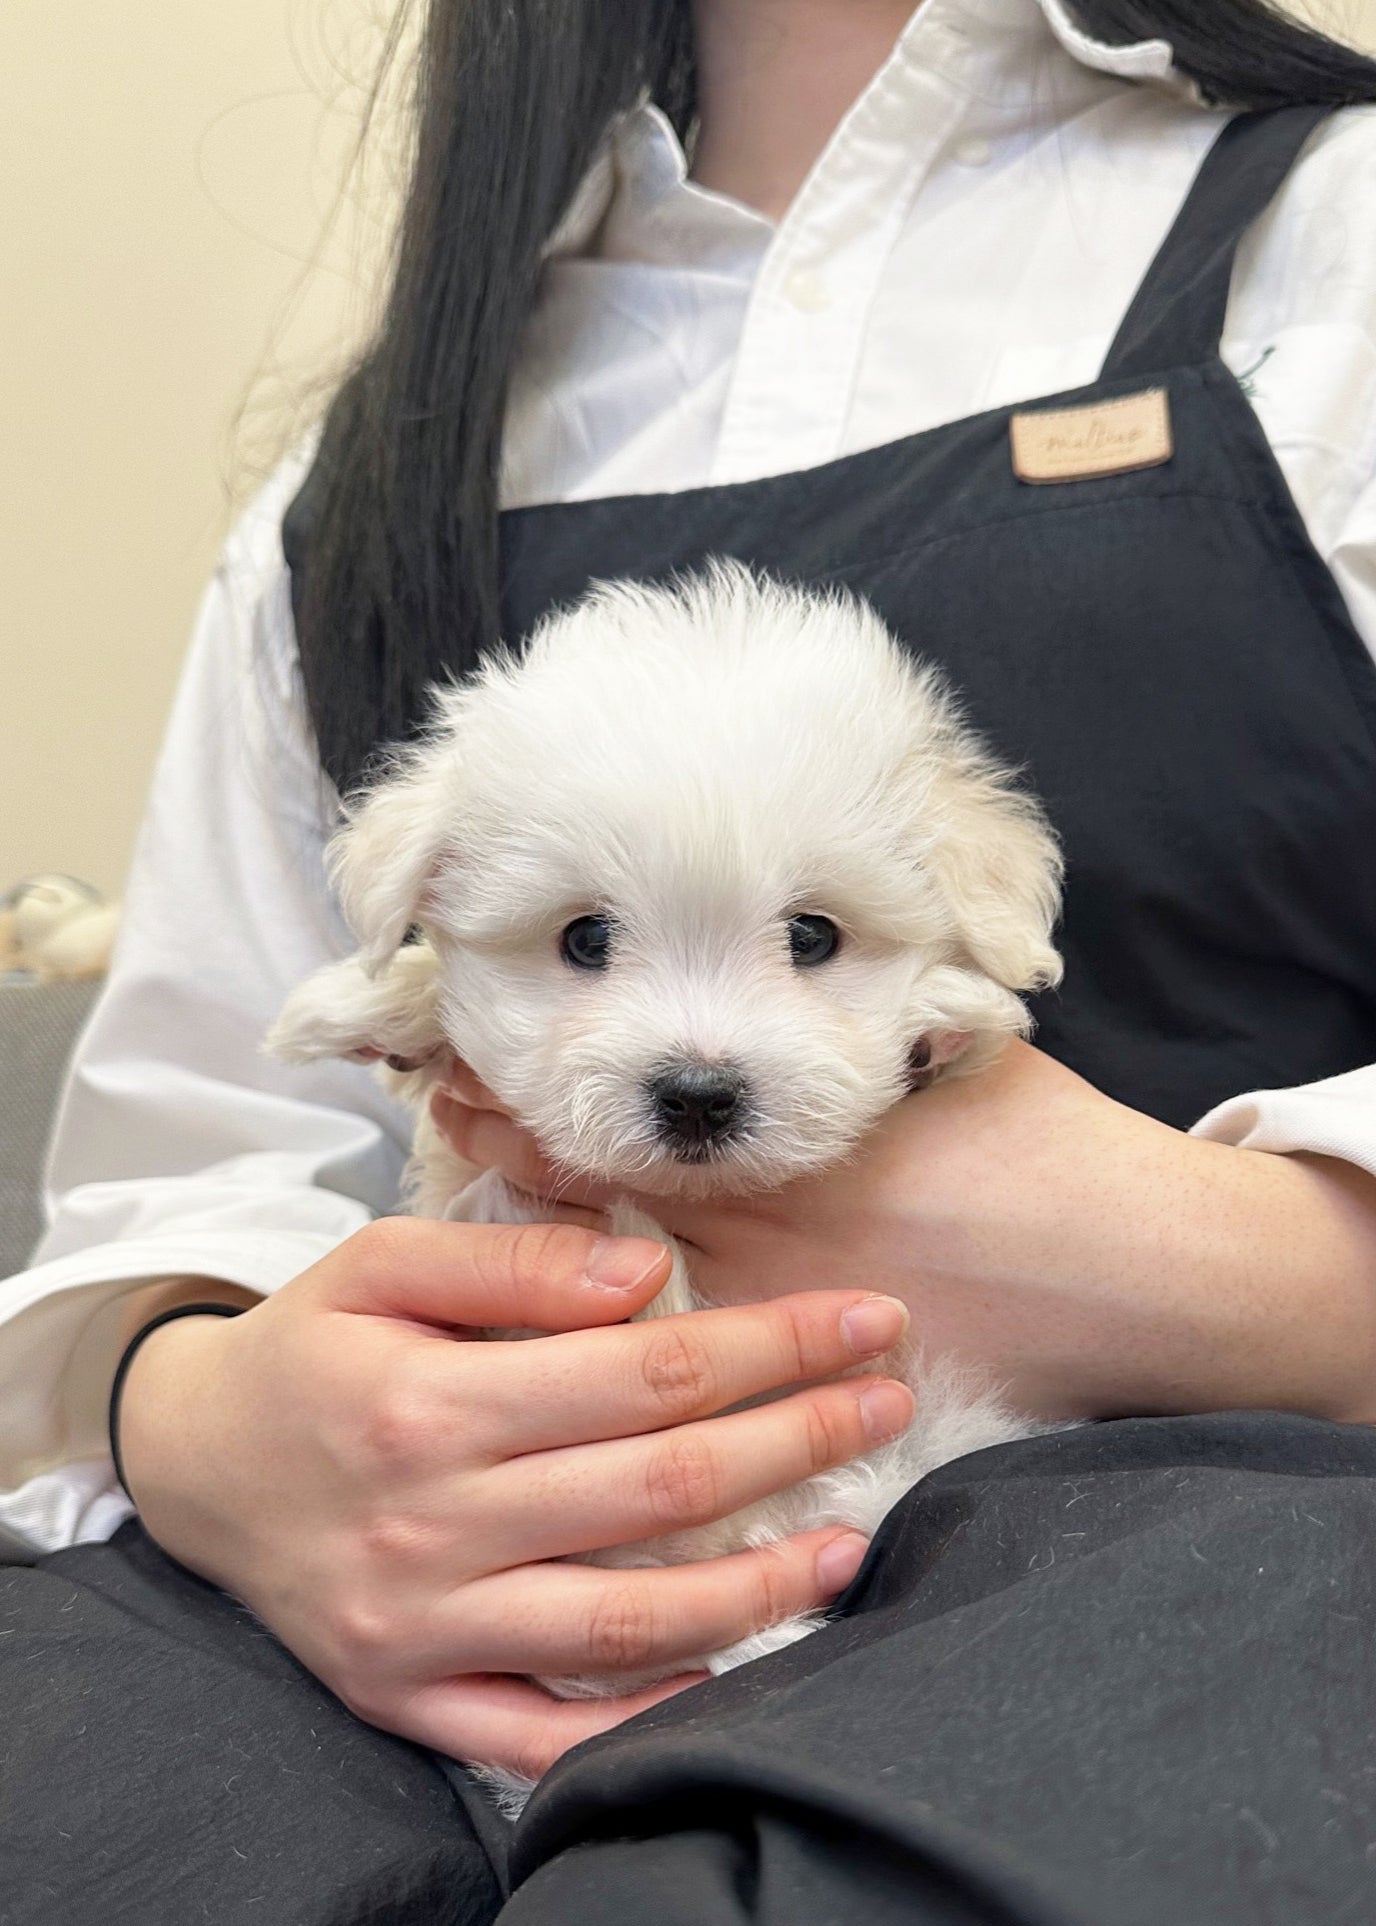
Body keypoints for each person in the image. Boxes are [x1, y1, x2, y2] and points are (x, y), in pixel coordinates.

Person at [6, 0, 1376, 1918]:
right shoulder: (364, 470)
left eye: (815, 934)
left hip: (1197, 1528)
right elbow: (189, 1156)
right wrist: (208, 1424)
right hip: (338, 1588)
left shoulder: (1339, 238)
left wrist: (1234, 1262)